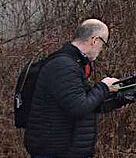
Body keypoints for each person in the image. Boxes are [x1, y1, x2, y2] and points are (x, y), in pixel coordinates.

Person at [24, 19, 120, 158]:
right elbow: (79, 107)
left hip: (65, 149)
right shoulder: (63, 66)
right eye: (103, 44)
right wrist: (104, 87)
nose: (101, 49)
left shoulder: (74, 63)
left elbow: (89, 101)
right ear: (95, 40)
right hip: (54, 151)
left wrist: (122, 96)